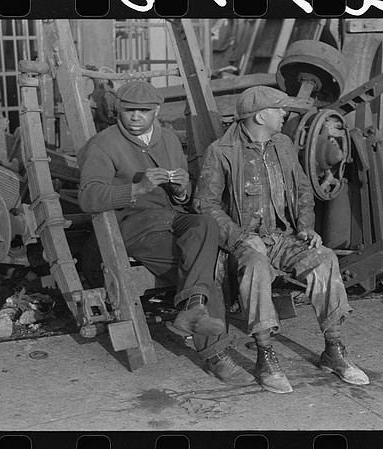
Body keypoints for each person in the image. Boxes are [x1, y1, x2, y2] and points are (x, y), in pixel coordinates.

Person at [193, 85, 370, 394]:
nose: (284, 114)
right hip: (243, 243)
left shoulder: (283, 144)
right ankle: (265, 357)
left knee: (325, 259)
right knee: (257, 266)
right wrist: (241, 237)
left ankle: (334, 350)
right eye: (279, 110)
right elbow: (205, 205)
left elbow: (303, 189)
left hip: (283, 236)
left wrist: (306, 227)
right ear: (261, 116)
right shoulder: (221, 151)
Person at [77, 80, 253, 386]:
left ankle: (191, 310)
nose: (135, 117)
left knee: (206, 224)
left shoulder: (169, 138)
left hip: (171, 217)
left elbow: (181, 198)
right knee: (206, 276)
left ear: (155, 111)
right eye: (129, 110)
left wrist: (182, 189)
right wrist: (137, 188)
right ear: (119, 108)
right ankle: (215, 356)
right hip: (134, 226)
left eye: (143, 111)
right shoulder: (103, 145)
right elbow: (89, 197)